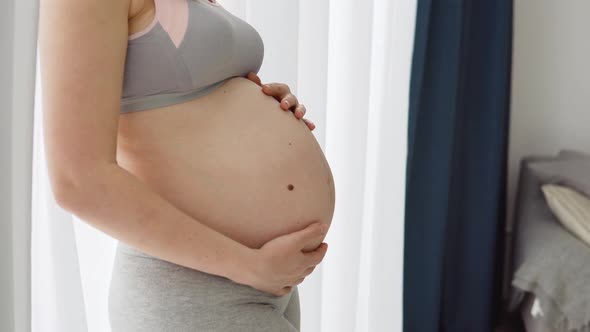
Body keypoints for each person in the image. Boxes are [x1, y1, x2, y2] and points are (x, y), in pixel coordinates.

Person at [37, 0, 336, 330]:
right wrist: (248, 266)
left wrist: (261, 99)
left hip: (262, 278)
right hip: (195, 288)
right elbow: (78, 181)